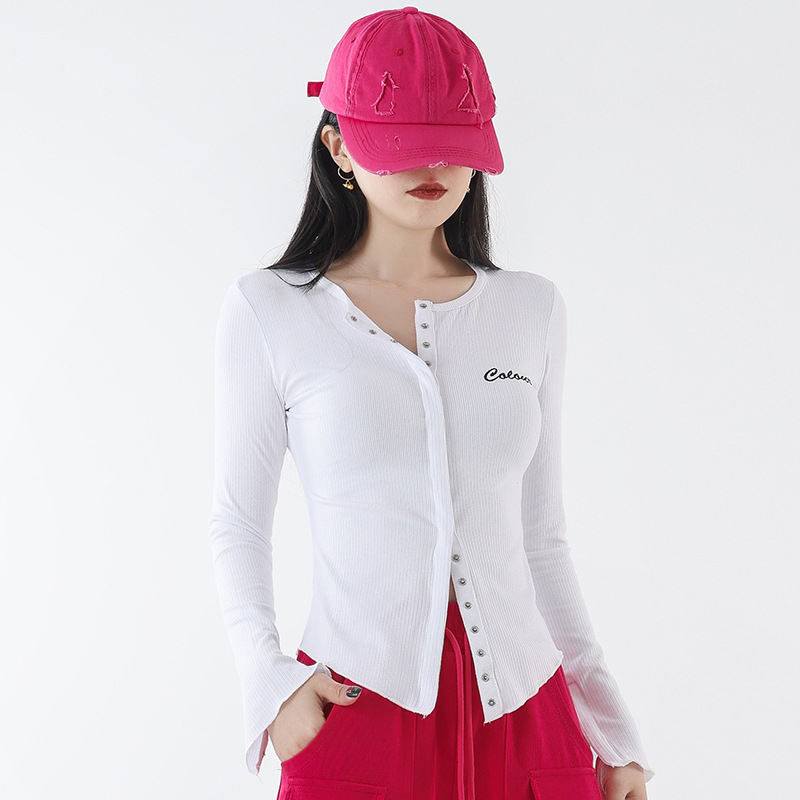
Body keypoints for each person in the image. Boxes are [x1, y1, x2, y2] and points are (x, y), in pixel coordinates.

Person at [208, 7, 655, 799]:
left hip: (528, 714)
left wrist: (614, 735)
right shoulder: (270, 311)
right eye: (404, 141)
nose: (435, 165)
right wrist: (268, 682)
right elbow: (238, 522)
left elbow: (543, 540)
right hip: (354, 705)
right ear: (338, 146)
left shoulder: (531, 309)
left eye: (453, 141)